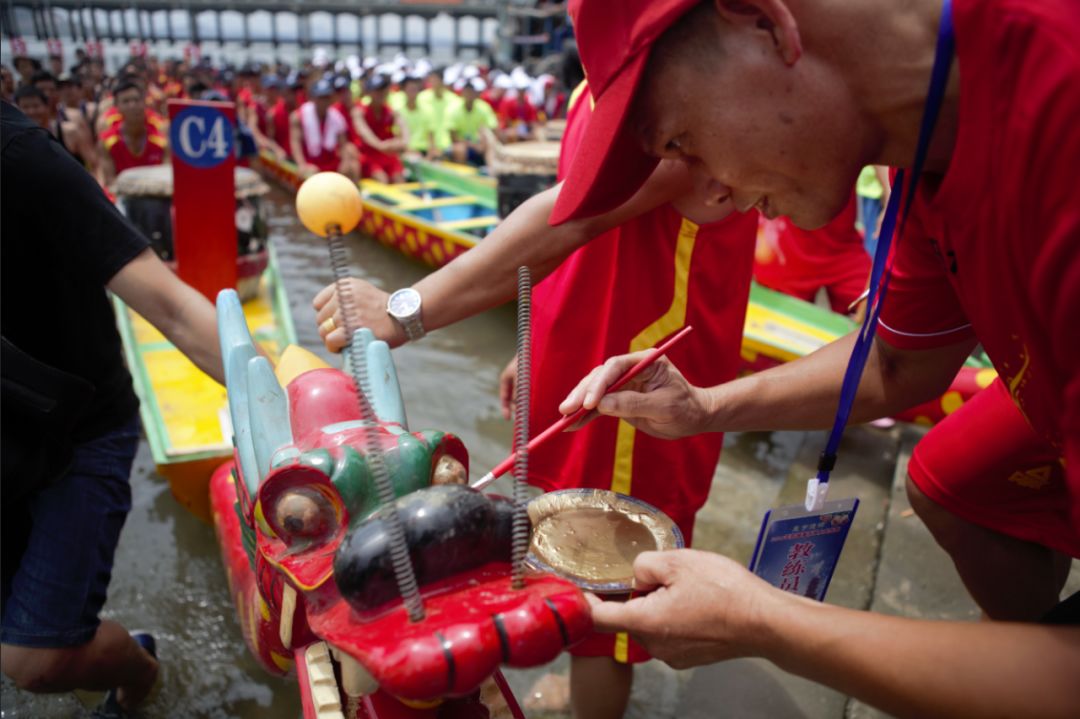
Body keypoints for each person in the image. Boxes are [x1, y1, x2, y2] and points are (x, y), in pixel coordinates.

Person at [545, 0, 1080, 715]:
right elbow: (896, 363)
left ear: (766, 24)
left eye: (684, 140)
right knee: (948, 478)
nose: (711, 197)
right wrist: (704, 407)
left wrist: (766, 621)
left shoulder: (1060, 110)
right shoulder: (925, 149)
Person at [493, 79, 757, 719]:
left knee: (613, 575)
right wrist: (531, 346)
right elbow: (578, 242)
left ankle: (595, 697)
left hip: (640, 378)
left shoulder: (681, 82)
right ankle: (580, 675)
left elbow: (576, 216)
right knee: (556, 538)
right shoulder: (596, 80)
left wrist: (412, 308)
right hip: (576, 354)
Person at [1, 101, 224, 717]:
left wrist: (283, 402)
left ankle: (140, 671)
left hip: (74, 427)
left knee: (33, 659)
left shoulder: (24, 159)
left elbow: (173, 307)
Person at [753, 191, 871, 314]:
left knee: (879, 307)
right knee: (783, 319)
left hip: (840, 244)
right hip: (788, 246)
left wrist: (889, 195)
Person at [99, 78, 168, 186]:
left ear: (145, 102)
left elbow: (167, 178)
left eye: (136, 100)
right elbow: (110, 182)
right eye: (126, 101)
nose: (132, 105)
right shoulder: (106, 142)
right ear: (117, 107)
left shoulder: (163, 139)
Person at [288, 77, 357, 180]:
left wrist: (346, 162)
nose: (324, 101)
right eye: (320, 97)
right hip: (310, 163)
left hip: (330, 163)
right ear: (313, 98)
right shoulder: (298, 116)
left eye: (326, 97)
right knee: (312, 173)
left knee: (352, 167)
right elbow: (295, 143)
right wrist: (302, 164)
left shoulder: (337, 118)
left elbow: (343, 145)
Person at [354, 74, 407, 183]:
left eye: (383, 89)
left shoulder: (391, 112)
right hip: (369, 157)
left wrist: (400, 142)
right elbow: (365, 134)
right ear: (370, 92)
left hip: (388, 156)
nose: (381, 93)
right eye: (377, 90)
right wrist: (383, 145)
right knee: (381, 178)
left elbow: (405, 133)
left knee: (399, 178)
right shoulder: (360, 112)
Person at [446, 78, 498, 166]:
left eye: (471, 92)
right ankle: (462, 175)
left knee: (491, 147)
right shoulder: (453, 109)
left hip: (479, 144)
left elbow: (492, 129)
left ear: (476, 94)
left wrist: (483, 143)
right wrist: (472, 145)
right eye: (467, 92)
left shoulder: (484, 108)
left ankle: (491, 173)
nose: (469, 95)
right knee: (460, 150)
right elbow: (453, 137)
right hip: (462, 144)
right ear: (463, 93)